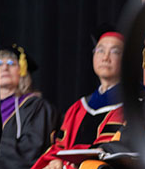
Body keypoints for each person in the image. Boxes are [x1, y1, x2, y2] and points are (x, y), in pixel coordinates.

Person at [31, 30, 125, 169]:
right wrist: (55, 162)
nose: (105, 57)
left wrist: (67, 164)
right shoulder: (78, 108)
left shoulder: (132, 106)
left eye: (115, 52)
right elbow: (59, 147)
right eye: (100, 50)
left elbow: (111, 149)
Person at [0, 44, 58, 169]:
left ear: (22, 71)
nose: (5, 67)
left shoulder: (36, 106)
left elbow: (31, 152)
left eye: (12, 63)